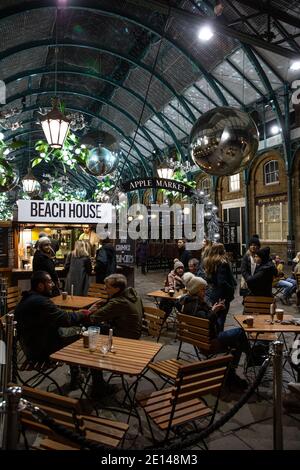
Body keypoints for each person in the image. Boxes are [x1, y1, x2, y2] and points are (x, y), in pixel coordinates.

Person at [14, 271, 92, 388]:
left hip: (32, 344)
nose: (53, 285)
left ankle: (78, 372)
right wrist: (84, 313)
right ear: (40, 285)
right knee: (84, 332)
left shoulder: (28, 299)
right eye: (49, 282)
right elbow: (66, 319)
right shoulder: (41, 302)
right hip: (41, 349)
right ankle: (80, 375)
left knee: (74, 330)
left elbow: (58, 318)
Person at [179, 273, 249, 390]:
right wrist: (214, 311)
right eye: (203, 289)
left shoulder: (188, 302)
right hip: (209, 343)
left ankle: (231, 372)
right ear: (196, 290)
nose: (205, 292)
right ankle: (249, 357)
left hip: (201, 340)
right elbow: (206, 320)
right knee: (240, 333)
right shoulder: (196, 305)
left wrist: (213, 310)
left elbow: (203, 318)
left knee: (237, 342)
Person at [89, 273, 143, 340]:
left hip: (125, 335)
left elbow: (93, 318)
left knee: (90, 327)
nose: (104, 288)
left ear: (117, 289)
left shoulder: (118, 302)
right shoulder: (134, 295)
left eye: (108, 287)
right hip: (135, 332)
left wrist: (89, 310)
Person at [204, 243, 236, 331]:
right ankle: (219, 340)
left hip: (214, 292)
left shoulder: (210, 262)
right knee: (221, 319)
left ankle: (216, 337)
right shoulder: (222, 263)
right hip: (222, 295)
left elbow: (209, 279)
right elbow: (222, 281)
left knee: (216, 316)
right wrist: (231, 288)